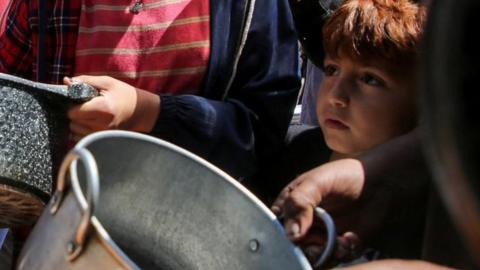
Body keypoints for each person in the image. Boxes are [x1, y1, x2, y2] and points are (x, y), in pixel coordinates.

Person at [0, 0, 300, 183]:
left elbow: (262, 132)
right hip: (58, 236)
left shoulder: (249, 7)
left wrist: (148, 113)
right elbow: (7, 91)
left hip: (181, 237)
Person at [264, 0, 430, 266]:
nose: (337, 96)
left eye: (370, 79)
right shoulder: (289, 153)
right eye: (332, 70)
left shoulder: (427, 214)